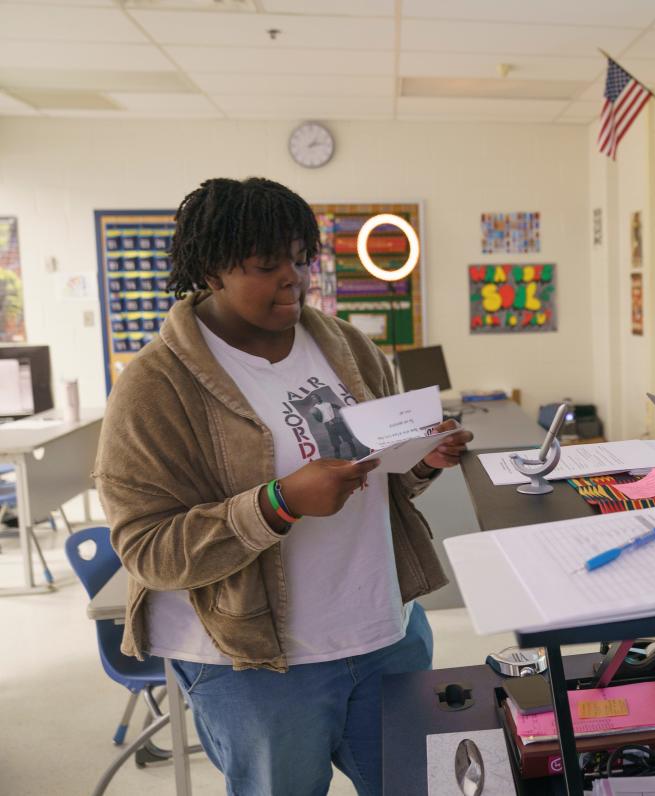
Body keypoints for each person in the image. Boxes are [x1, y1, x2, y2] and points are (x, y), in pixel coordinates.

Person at [94, 177, 473, 796]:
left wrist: (424, 459)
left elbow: (382, 487)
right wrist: (278, 503)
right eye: (267, 266)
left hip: (386, 632)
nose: (293, 278)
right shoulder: (155, 385)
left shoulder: (345, 345)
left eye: (300, 259)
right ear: (211, 270)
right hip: (259, 665)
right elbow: (147, 548)